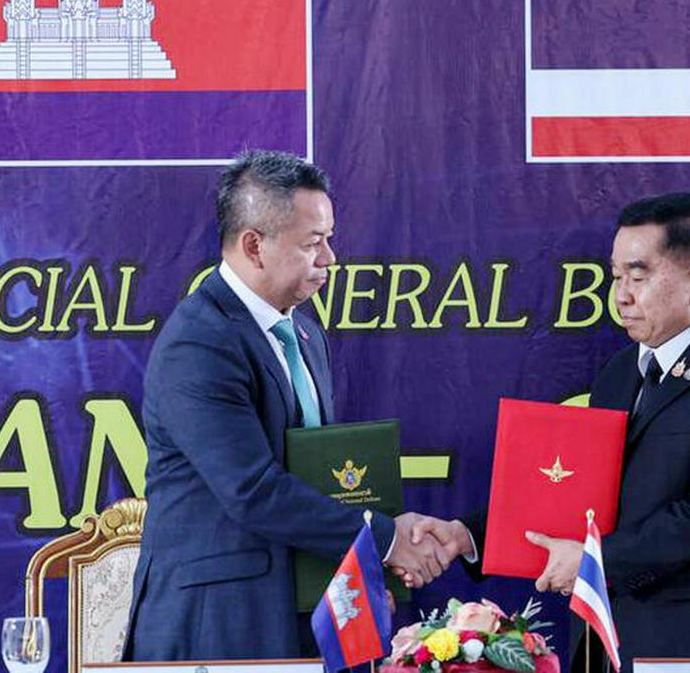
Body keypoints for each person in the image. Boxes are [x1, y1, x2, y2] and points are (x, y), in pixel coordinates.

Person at [414, 193, 690, 672]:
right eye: (616, 277)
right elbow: (575, 493)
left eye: (638, 276)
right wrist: (468, 535)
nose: (621, 296)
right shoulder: (619, 373)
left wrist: (595, 560)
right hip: (610, 637)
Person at [123, 151, 450, 661]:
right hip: (218, 628)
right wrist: (384, 541)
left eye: (329, 239)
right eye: (313, 243)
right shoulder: (200, 341)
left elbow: (315, 482)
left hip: (296, 619)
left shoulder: (305, 334)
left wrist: (360, 573)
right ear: (254, 245)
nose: (330, 259)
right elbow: (253, 490)